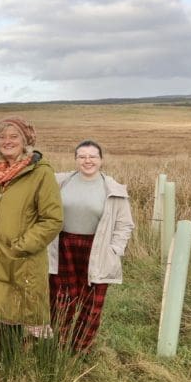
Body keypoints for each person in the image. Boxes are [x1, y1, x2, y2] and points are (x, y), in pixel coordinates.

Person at [0, 116, 63, 355]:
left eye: (14, 137)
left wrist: (20, 246)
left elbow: (52, 220)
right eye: (2, 137)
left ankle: (28, 364)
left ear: (26, 141)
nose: (7, 141)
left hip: (23, 259)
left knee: (26, 310)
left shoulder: (40, 173)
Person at [48, 140, 134, 352]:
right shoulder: (60, 181)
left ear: (101, 160)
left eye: (93, 156)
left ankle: (80, 349)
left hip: (97, 249)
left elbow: (124, 225)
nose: (88, 161)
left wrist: (114, 251)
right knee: (62, 300)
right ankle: (58, 345)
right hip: (64, 247)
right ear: (76, 160)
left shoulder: (113, 189)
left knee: (91, 304)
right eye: (82, 156)